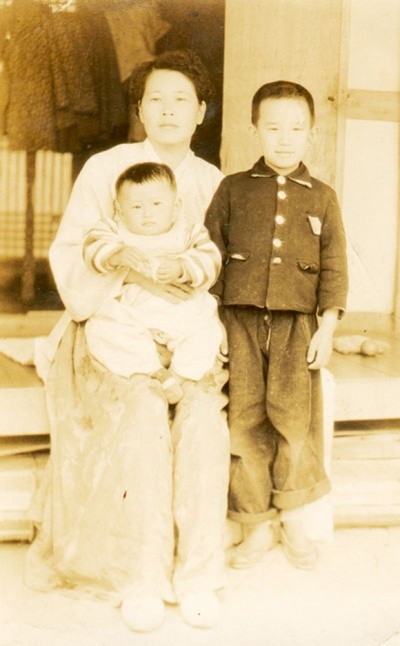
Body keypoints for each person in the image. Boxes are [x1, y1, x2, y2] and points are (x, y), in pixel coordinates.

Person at [25, 50, 230, 633]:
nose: (168, 110)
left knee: (203, 422)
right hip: (112, 323)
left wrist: (188, 294)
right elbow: (75, 251)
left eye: (181, 100)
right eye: (156, 99)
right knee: (140, 416)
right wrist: (135, 273)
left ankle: (198, 576)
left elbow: (217, 265)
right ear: (139, 109)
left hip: (188, 327)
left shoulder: (213, 181)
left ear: (201, 112)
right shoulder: (108, 167)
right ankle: (140, 577)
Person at [205, 80, 348, 571]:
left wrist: (326, 329)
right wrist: (213, 324)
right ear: (255, 131)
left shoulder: (324, 198)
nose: (284, 138)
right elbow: (210, 257)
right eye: (273, 128)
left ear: (312, 134)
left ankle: (294, 524)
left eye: (295, 129)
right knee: (243, 423)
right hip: (238, 323)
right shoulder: (232, 189)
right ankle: (256, 527)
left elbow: (334, 267)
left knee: (295, 425)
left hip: (297, 329)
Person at [83, 161, 224, 403]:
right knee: (101, 326)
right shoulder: (114, 229)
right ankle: (155, 371)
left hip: (179, 307)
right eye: (136, 206)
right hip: (133, 309)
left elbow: (211, 261)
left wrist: (182, 267)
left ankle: (180, 376)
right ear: (119, 209)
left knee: (206, 331)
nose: (147, 213)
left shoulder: (189, 232)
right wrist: (117, 254)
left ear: (176, 205)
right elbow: (92, 247)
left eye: (157, 204)